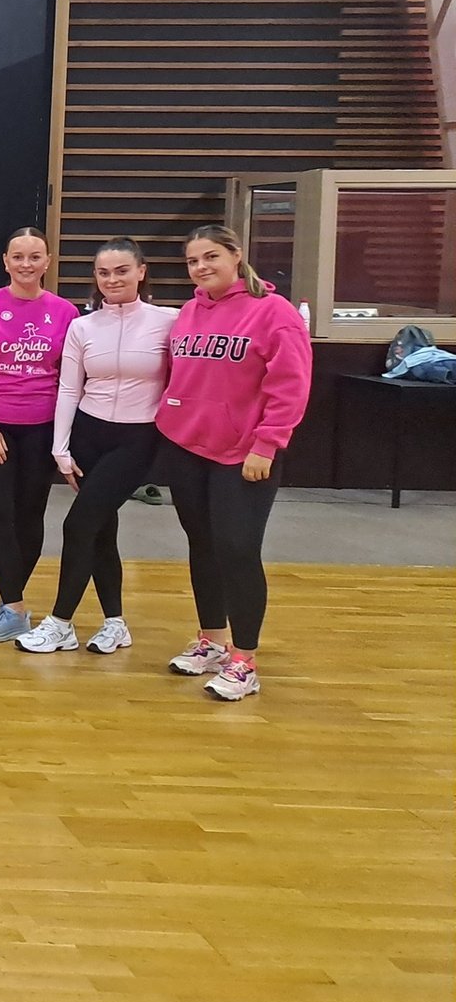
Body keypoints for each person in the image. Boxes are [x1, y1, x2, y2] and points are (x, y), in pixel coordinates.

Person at [155, 224, 312, 701]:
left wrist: (267, 444)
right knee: (202, 545)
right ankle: (212, 640)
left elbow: (290, 386)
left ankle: (244, 659)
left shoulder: (274, 313)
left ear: (235, 256)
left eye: (210, 257)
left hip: (244, 455)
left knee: (237, 549)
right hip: (186, 448)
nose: (201, 268)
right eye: (192, 262)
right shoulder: (187, 312)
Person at [17, 239, 176, 656]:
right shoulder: (83, 326)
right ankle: (115, 622)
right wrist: (61, 448)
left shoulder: (168, 322)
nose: (112, 280)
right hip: (90, 434)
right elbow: (70, 388)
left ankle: (61, 622)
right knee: (102, 530)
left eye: (121, 270)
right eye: (103, 273)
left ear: (141, 271)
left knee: (79, 524)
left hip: (138, 438)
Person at [0, 227, 77, 642]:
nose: (26, 264)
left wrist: (63, 436)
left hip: (41, 428)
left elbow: (68, 376)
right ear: (5, 261)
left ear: (47, 261)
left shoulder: (65, 312)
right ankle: (15, 607)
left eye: (34, 256)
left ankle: (12, 601)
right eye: (18, 256)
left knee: (30, 516)